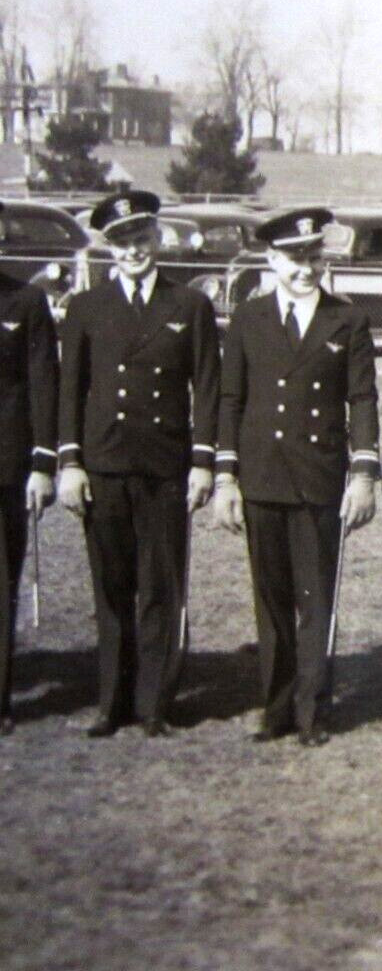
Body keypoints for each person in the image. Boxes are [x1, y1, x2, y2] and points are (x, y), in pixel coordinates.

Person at [211, 208, 379, 747]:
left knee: (316, 598)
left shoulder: (347, 320)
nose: (305, 268)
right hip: (261, 477)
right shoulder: (249, 317)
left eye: (313, 257)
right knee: (272, 598)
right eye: (293, 258)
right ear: (271, 259)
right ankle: (277, 706)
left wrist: (364, 472)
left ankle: (312, 709)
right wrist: (226, 478)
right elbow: (231, 399)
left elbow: (361, 399)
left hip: (318, 478)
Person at [57, 189, 220, 738]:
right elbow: (69, 393)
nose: (134, 250)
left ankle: (155, 703)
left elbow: (209, 388)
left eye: (142, 239)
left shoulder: (188, 306)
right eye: (122, 242)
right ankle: (112, 700)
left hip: (165, 466)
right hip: (103, 464)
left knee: (161, 584)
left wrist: (202, 463)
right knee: (111, 585)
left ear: (158, 240)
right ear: (109, 249)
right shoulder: (86, 308)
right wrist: (71, 463)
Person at [0, 201, 58, 736]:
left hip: (6, 468)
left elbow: (43, 387)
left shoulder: (27, 301)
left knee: (1, 584)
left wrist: (44, 463)